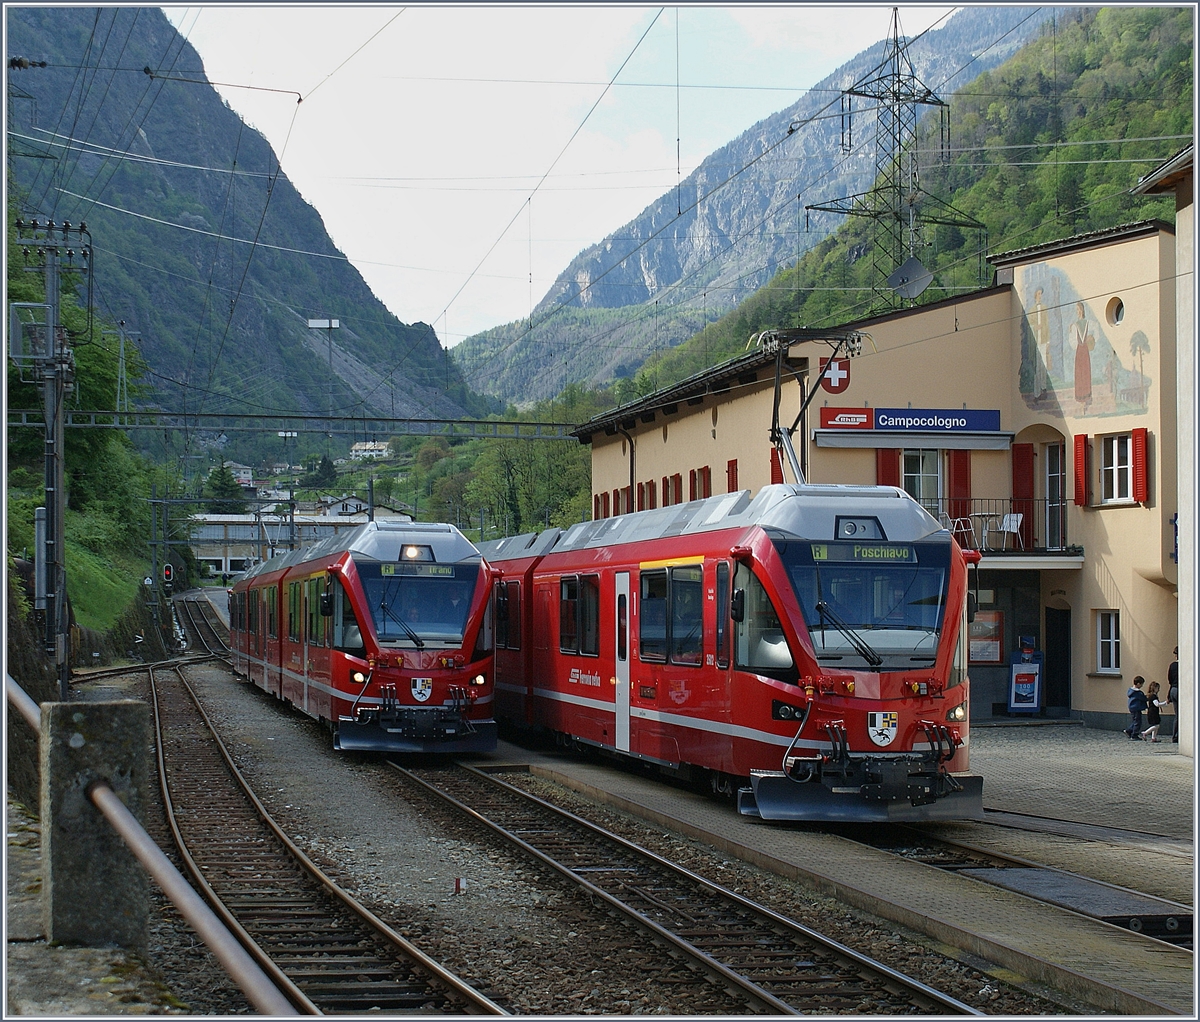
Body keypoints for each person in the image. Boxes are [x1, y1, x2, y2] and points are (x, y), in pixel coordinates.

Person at [1124, 676, 1148, 740]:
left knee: (1135, 720)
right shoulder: (1138, 693)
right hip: (1136, 708)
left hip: (1132, 707)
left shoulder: (1130, 690)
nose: (1142, 686)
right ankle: (1134, 735)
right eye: (1141, 684)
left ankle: (1129, 731)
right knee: (1138, 722)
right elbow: (1144, 698)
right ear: (1138, 684)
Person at [1168, 646, 1179, 743]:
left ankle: (1175, 736)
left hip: (1173, 690)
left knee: (1177, 715)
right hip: (1180, 690)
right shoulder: (1185, 664)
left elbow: (1170, 680)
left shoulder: (1172, 666)